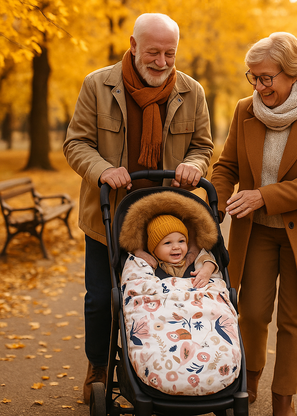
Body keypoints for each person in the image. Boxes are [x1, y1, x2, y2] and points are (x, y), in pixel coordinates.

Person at [63, 13, 213, 404]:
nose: (162, 62)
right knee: (102, 297)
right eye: (153, 53)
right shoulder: (98, 85)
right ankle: (98, 365)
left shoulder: (191, 91)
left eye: (169, 53)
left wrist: (194, 166)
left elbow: (203, 146)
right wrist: (103, 170)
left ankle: (167, 366)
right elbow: (76, 143)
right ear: (132, 45)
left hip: (165, 220)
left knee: (164, 298)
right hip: (108, 217)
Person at [210, 32, 297, 416]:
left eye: (266, 77)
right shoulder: (244, 110)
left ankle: (283, 397)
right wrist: (214, 206)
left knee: (293, 318)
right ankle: (250, 380)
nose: (259, 86)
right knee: (250, 312)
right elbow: (227, 166)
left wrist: (263, 196)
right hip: (258, 232)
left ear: (292, 72)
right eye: (253, 77)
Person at [126, 214, 220, 288]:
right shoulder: (148, 262)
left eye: (181, 241)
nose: (176, 247)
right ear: (153, 249)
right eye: (167, 243)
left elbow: (209, 261)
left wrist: (207, 270)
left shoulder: (193, 257)